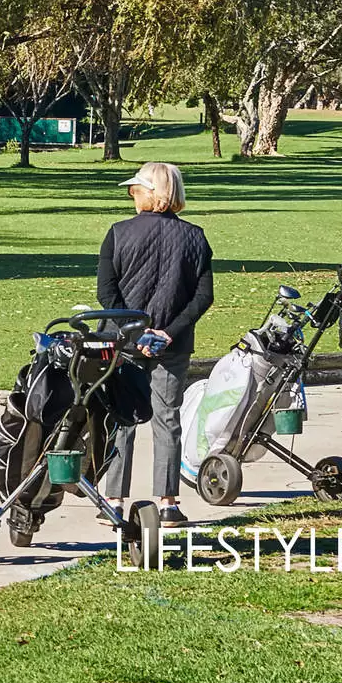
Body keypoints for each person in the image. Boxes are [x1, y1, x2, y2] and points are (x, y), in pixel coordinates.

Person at [97, 161, 213, 525]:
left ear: (152, 193)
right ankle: (168, 502)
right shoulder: (195, 237)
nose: (132, 196)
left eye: (136, 190)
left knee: (122, 418)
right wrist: (168, 332)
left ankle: (114, 499)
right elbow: (202, 296)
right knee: (168, 420)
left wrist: (135, 331)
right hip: (172, 345)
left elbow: (107, 292)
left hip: (123, 342)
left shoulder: (118, 233)